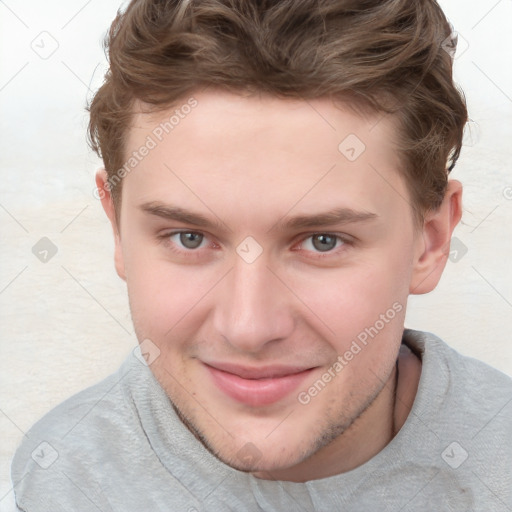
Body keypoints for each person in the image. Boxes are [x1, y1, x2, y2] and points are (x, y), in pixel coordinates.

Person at [10, 0, 512, 510]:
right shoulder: (66, 476)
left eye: (323, 241)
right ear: (117, 228)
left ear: (430, 241)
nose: (248, 328)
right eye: (188, 237)